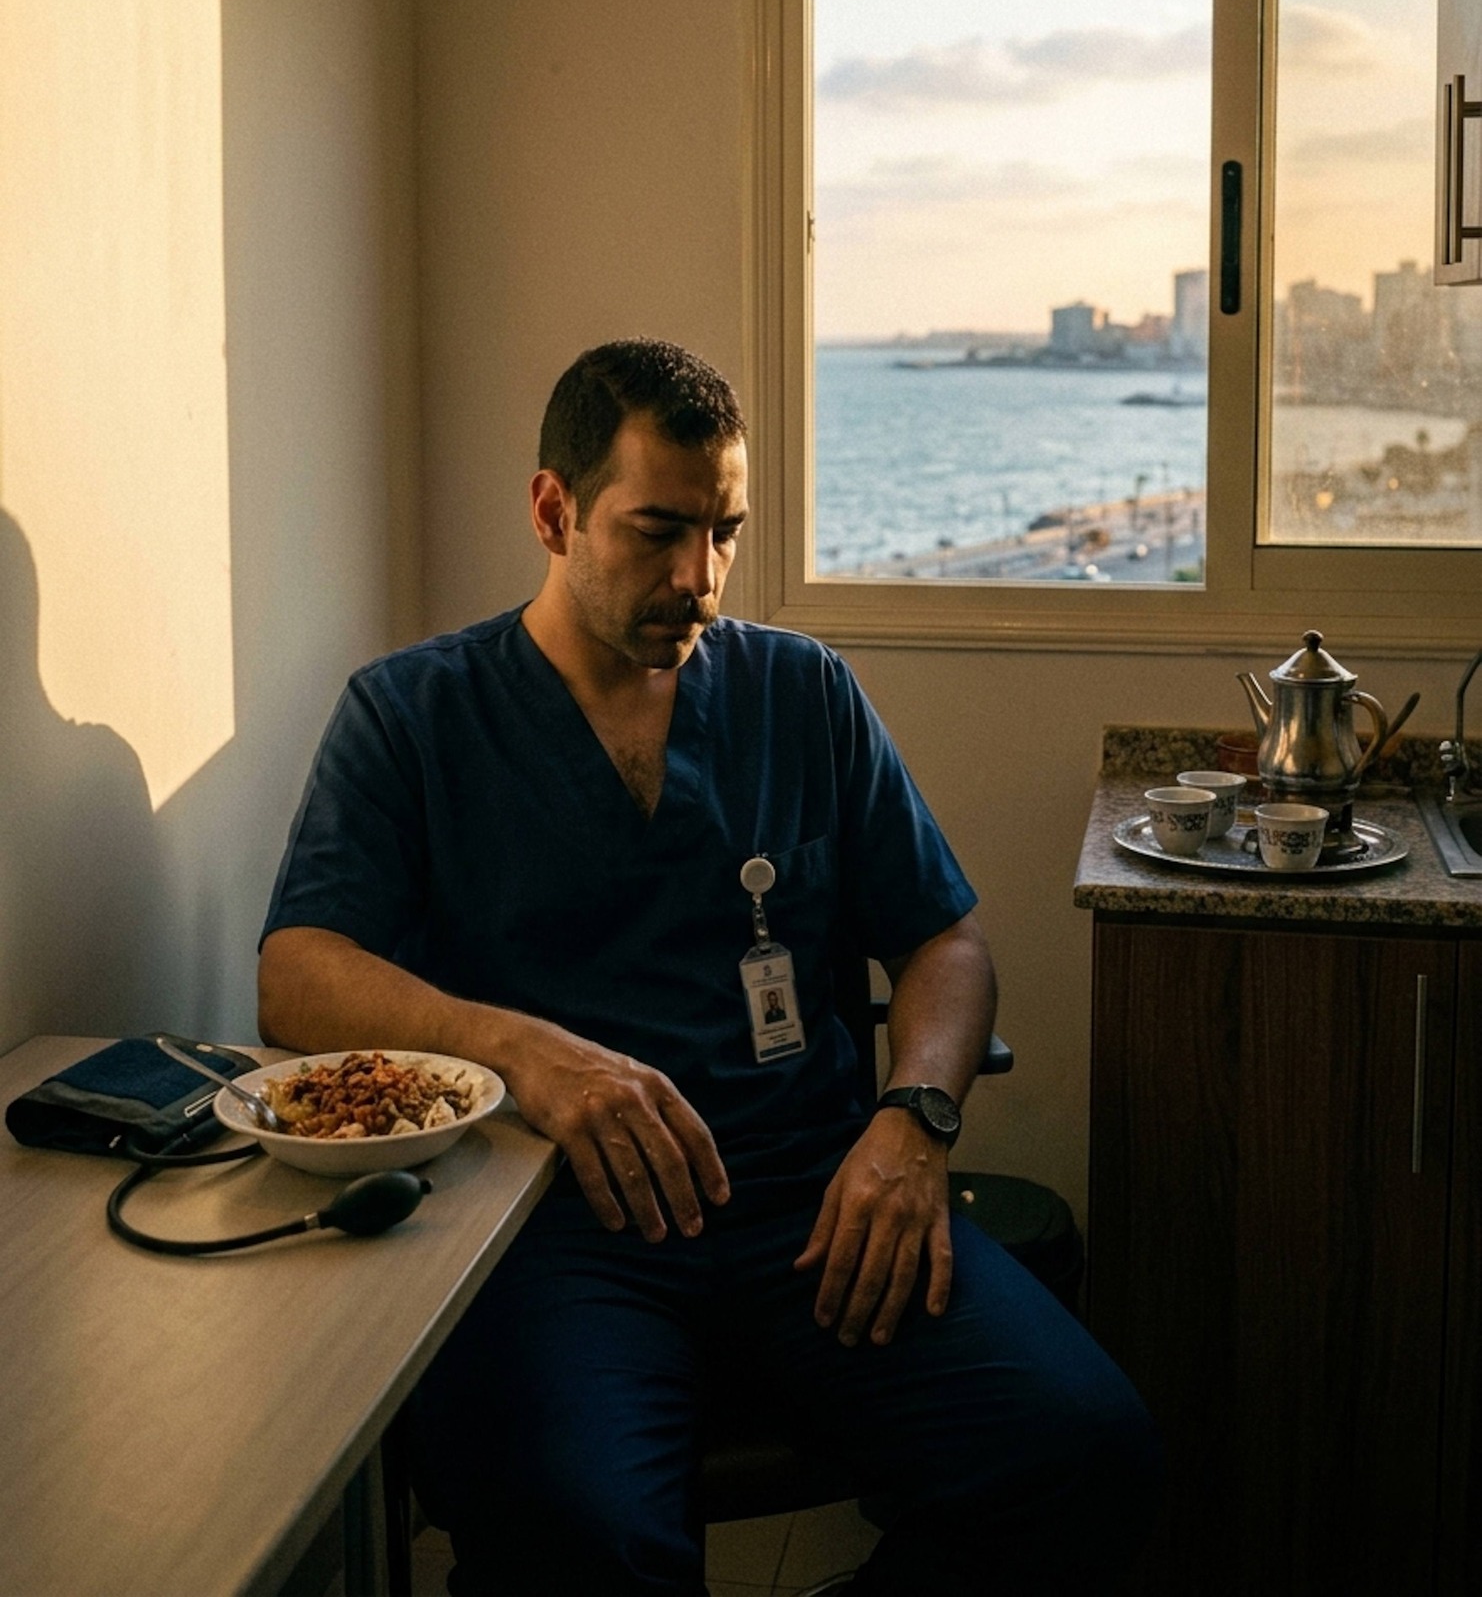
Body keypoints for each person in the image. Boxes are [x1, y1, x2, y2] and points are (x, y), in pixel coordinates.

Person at [258, 338, 1158, 1597]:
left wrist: (915, 1118)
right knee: (587, 1538)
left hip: (813, 1199)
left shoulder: (803, 694)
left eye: (725, 531)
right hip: (554, 1228)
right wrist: (525, 1052)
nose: (701, 577)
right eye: (659, 530)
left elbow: (944, 938)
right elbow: (298, 969)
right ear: (554, 511)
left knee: (1089, 1453)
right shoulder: (413, 716)